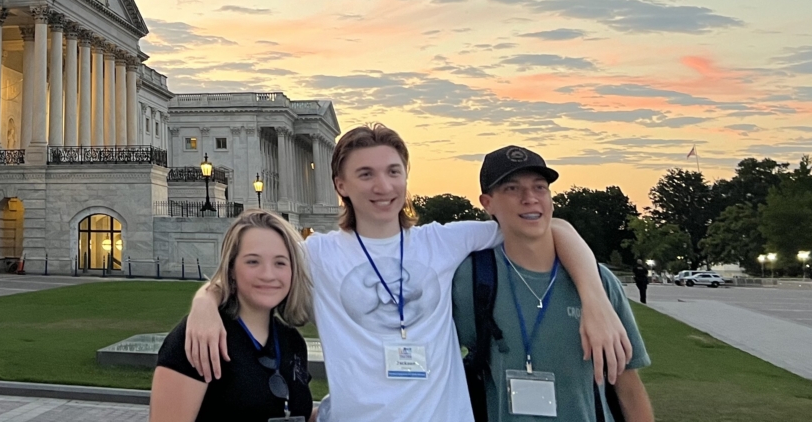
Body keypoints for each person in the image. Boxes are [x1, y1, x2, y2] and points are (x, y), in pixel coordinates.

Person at [184, 124, 632, 422]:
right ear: (341, 185)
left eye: (393, 172)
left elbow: (551, 225)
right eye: (366, 174)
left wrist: (595, 302)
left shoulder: (443, 241)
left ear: (405, 177)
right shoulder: (317, 253)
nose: (383, 186)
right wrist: (204, 302)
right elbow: (250, 270)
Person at [454, 146, 654, 422]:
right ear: (487, 203)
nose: (530, 198)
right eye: (512, 189)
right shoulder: (472, 278)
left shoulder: (599, 282)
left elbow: (628, 388)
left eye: (540, 187)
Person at [153, 210, 316, 422]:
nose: (268, 274)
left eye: (280, 263)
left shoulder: (292, 342)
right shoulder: (200, 338)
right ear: (231, 268)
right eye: (252, 262)